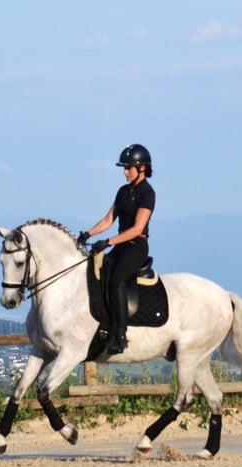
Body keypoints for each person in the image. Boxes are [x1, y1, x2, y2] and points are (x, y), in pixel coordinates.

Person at [78, 143, 156, 355]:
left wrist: (109, 242)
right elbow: (108, 219)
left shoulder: (147, 193)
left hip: (136, 247)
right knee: (98, 275)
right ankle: (102, 322)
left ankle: (121, 335)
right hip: (120, 245)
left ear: (141, 168)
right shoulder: (123, 192)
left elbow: (137, 229)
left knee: (116, 280)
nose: (124, 172)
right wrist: (88, 234)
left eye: (128, 167)